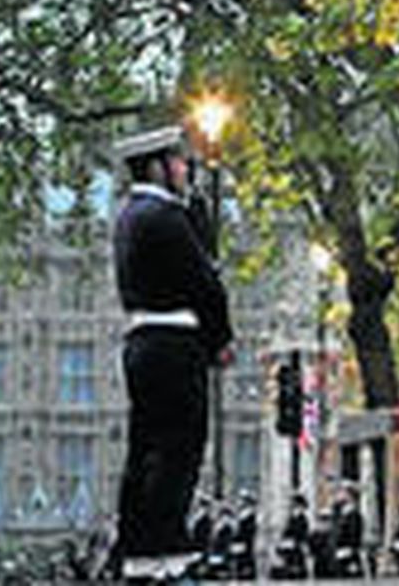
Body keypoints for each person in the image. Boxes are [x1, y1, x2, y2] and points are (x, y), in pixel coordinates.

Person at [112, 126, 234, 583]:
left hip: (142, 344)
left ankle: (139, 549)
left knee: (145, 448)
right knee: (179, 448)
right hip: (175, 343)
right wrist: (220, 338)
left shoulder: (131, 215)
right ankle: (167, 548)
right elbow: (205, 282)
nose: (185, 169)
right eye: (179, 162)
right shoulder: (163, 216)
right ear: (158, 168)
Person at [327, 483, 366, 579]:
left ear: (350, 496)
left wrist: (349, 549)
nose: (338, 495)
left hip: (347, 553)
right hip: (336, 552)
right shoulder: (339, 513)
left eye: (342, 492)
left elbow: (355, 535)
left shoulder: (354, 515)